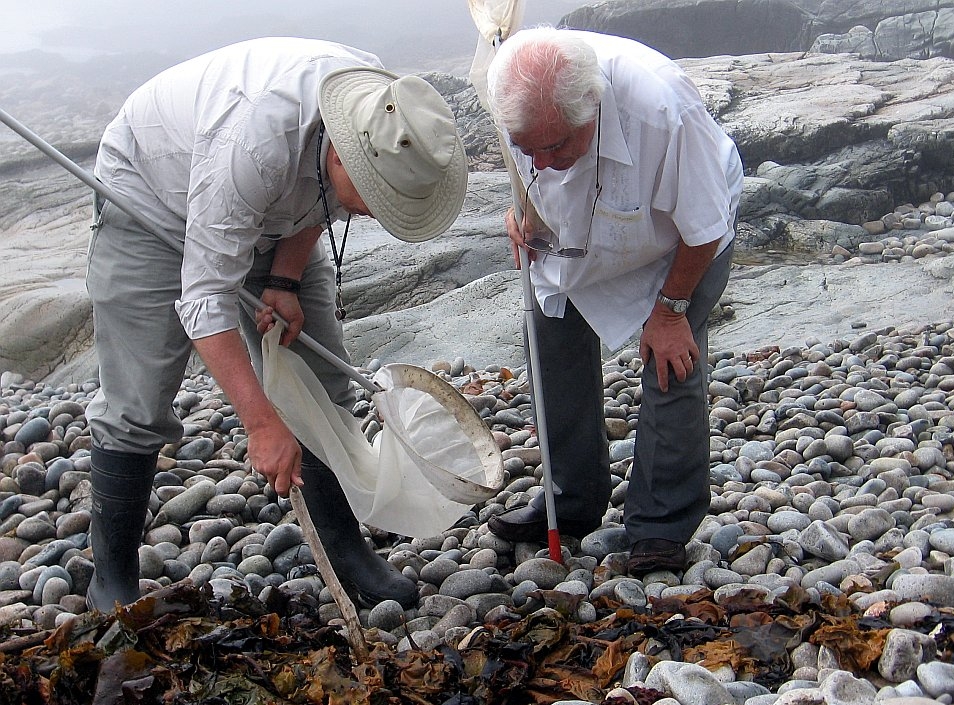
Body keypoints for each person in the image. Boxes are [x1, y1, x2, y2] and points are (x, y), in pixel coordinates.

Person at [85, 37, 467, 612]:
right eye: (373, 199)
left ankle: (345, 552)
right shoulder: (255, 142)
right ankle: (111, 580)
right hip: (152, 190)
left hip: (270, 196)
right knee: (138, 400)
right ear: (343, 155)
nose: (371, 213)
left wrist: (284, 281)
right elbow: (203, 298)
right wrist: (262, 425)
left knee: (318, 376)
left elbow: (324, 198)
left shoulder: (385, 113)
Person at [484, 27, 743, 575]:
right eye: (531, 147)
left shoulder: (662, 108)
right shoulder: (515, 97)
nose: (545, 160)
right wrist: (522, 213)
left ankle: (660, 524)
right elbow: (524, 174)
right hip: (574, 237)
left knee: (671, 362)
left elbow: (704, 229)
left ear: (594, 107)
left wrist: (670, 312)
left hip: (676, 234)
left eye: (557, 145)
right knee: (551, 352)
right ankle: (571, 502)